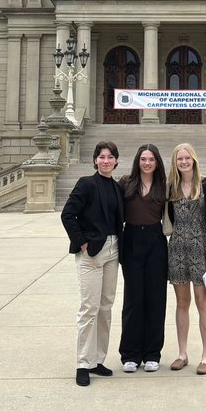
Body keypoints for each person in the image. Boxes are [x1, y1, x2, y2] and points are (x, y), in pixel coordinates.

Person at [60, 141, 125, 387]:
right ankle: (82, 363)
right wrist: (83, 243)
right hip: (91, 253)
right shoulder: (86, 184)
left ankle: (98, 359)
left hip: (113, 250)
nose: (106, 161)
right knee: (89, 307)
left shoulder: (117, 188)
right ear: (95, 160)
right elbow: (68, 214)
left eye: (110, 157)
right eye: (102, 157)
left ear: (116, 161)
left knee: (106, 307)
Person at [166, 142, 206, 375]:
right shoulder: (172, 187)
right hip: (177, 250)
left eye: (187, 158)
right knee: (182, 303)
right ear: (175, 162)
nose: (183, 162)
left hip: (202, 251)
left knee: (203, 303)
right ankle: (182, 354)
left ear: (194, 160)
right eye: (179, 159)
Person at [117, 144, 168, 373]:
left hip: (156, 242)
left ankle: (152, 354)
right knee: (133, 298)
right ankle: (130, 354)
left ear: (157, 162)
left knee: (156, 299)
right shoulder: (125, 183)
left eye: (151, 159)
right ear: (138, 161)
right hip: (132, 241)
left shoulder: (164, 186)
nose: (147, 163)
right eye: (143, 159)